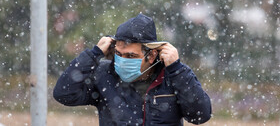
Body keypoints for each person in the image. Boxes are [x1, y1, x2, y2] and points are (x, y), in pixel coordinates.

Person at [53, 13, 212, 125]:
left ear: (151, 55)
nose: (122, 61)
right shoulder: (104, 74)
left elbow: (200, 116)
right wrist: (94, 54)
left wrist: (177, 69)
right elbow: (64, 94)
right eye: (118, 54)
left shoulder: (173, 75)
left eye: (130, 56)